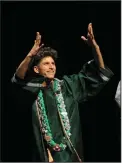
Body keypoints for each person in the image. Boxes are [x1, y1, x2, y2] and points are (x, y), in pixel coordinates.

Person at [11, 23, 114, 162]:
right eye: (46, 64)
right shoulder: (34, 87)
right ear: (36, 69)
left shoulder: (68, 86)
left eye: (53, 63)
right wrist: (30, 55)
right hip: (45, 156)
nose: (51, 67)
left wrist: (95, 48)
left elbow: (99, 74)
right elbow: (18, 79)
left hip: (71, 155)